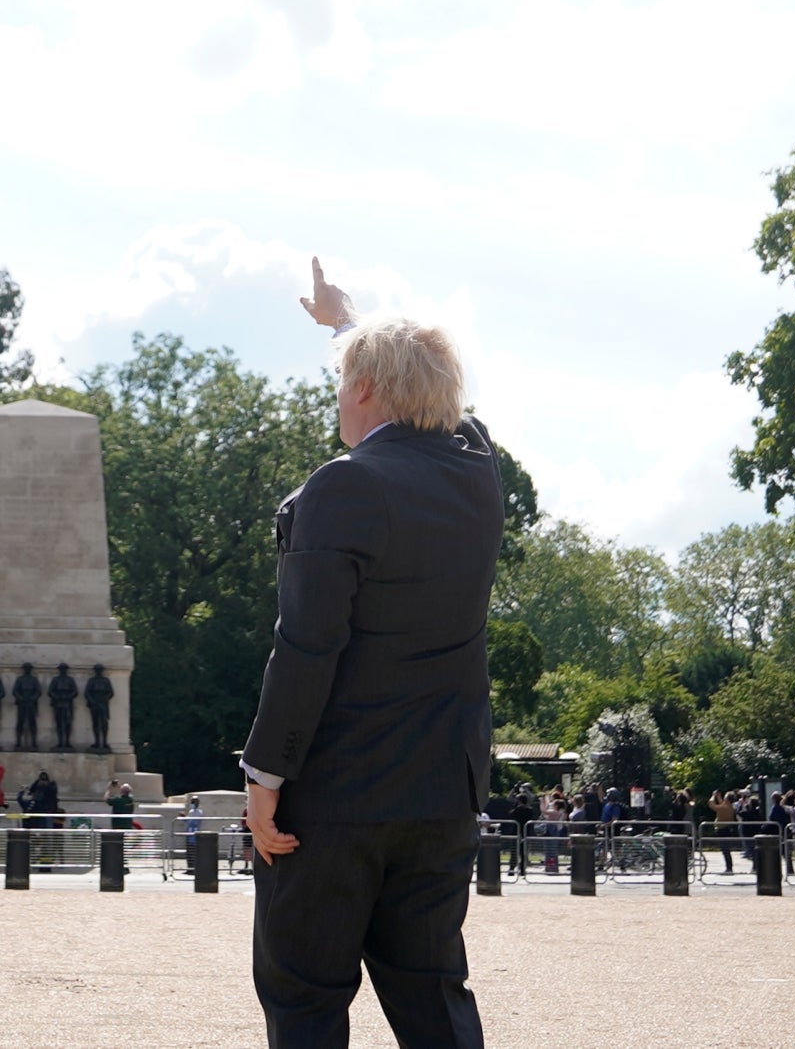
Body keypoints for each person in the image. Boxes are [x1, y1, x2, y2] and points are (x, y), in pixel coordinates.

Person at [241, 261, 503, 1049]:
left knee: (307, 1000)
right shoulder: (480, 474)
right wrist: (347, 324)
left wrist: (263, 775)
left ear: (362, 391)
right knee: (435, 1000)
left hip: (337, 798)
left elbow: (306, 650)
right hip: (440, 795)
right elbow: (449, 410)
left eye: (344, 379)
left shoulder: (343, 487)